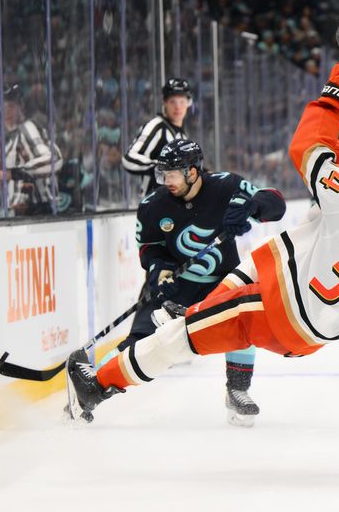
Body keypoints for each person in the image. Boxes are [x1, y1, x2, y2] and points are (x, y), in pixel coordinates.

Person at [65, 59, 339, 427]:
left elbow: (307, 147)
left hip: (282, 310)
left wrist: (336, 97)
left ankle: (97, 385)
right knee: (258, 262)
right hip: (322, 327)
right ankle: (195, 317)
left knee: (180, 336)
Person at [100, 138, 286, 426]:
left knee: (244, 320)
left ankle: (237, 389)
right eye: (162, 174)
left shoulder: (225, 187)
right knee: (141, 341)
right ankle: (93, 382)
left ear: (192, 172)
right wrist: (159, 270)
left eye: (171, 174)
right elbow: (150, 248)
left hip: (223, 281)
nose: (165, 181)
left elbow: (275, 201)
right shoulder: (153, 205)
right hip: (176, 284)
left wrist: (252, 207)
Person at [122, 78, 192, 196]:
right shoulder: (156, 126)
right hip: (155, 204)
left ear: (188, 103)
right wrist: (161, 168)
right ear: (164, 102)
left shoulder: (181, 135)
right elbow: (129, 158)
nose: (178, 107)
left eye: (182, 101)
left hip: (175, 206)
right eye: (172, 101)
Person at [3, 84, 63, 215]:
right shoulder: (9, 139)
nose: (7, 111)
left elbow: (53, 158)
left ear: (21, 107)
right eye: (4, 108)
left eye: (11, 107)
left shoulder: (27, 128)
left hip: (37, 211)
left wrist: (16, 173)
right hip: (19, 214)